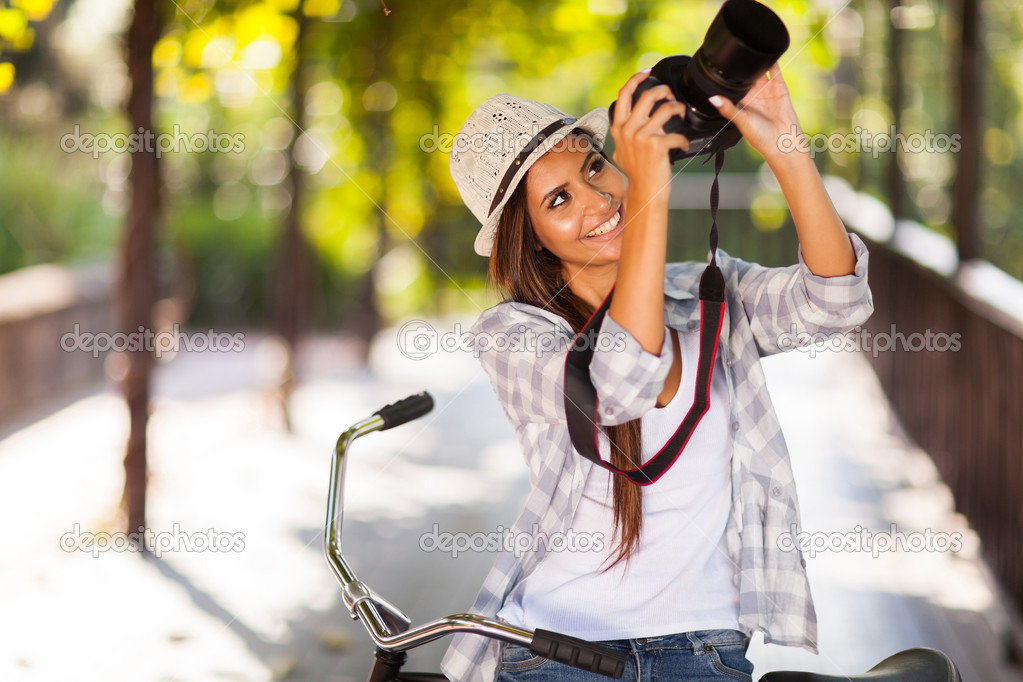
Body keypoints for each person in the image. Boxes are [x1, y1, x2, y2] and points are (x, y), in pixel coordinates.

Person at [439, 65, 874, 682]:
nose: (597, 200)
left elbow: (835, 304)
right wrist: (649, 192)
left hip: (706, 647)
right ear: (530, 237)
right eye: (557, 200)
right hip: (558, 651)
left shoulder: (705, 295)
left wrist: (785, 145)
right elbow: (622, 383)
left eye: (594, 167)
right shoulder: (514, 336)